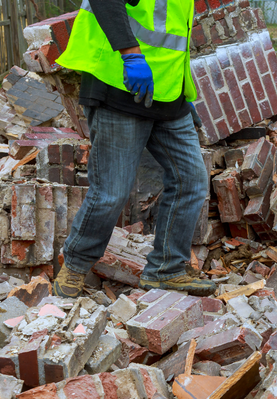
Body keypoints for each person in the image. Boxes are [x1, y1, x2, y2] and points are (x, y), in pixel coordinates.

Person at [52, 0, 216, 297]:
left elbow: (171, 38)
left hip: (166, 94)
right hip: (119, 83)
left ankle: (167, 270)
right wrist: (131, 54)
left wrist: (181, 90)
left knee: (191, 181)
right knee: (112, 191)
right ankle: (74, 267)